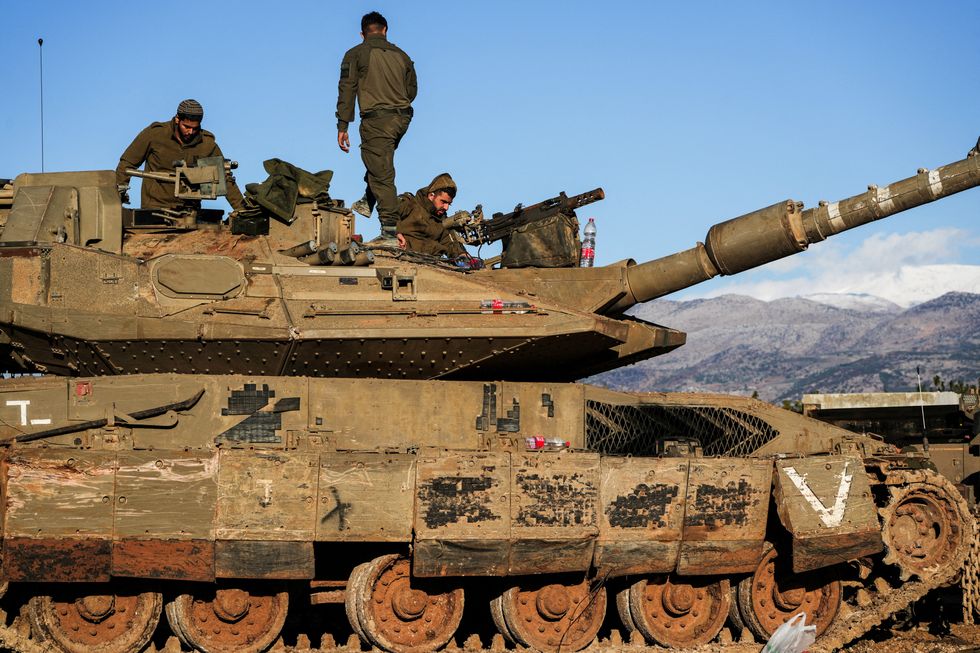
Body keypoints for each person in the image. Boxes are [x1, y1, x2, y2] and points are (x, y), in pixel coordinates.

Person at [336, 11, 417, 243]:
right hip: (402, 118)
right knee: (379, 161)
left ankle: (389, 231)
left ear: (362, 34)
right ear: (385, 30)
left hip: (377, 119)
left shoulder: (356, 53)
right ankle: (367, 200)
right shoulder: (402, 55)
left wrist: (343, 124)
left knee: (382, 173)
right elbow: (412, 90)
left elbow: (347, 89)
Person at [115, 99, 245, 212]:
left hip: (190, 212)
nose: (190, 132)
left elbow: (224, 178)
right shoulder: (155, 134)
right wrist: (117, 198)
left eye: (195, 128)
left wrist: (242, 210)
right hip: (154, 208)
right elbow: (127, 164)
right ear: (177, 119)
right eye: (186, 127)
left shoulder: (207, 143)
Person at [395, 173, 467, 257]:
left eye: (449, 204)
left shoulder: (442, 220)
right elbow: (390, 212)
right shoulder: (410, 203)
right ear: (431, 195)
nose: (446, 207)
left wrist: (461, 254)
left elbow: (450, 241)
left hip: (429, 260)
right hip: (401, 254)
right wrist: (395, 232)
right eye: (443, 202)